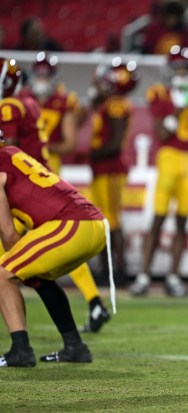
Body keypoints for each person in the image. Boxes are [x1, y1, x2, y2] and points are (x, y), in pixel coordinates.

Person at [19, 53, 111, 332]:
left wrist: (38, 151)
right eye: (40, 72)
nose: (43, 78)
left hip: (42, 176)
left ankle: (93, 301)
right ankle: (94, 302)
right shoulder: (22, 100)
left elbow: (69, 142)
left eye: (48, 73)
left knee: (48, 239)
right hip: (24, 175)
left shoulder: (61, 102)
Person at [0, 134, 107, 367]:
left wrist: (15, 269)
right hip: (94, 225)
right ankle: (75, 347)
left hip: (71, 225)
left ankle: (20, 350)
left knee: (3, 274)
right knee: (36, 276)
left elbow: (8, 235)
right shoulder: (12, 153)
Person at [130, 46, 188, 297]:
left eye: (185, 69)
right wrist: (176, 110)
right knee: (158, 217)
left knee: (182, 222)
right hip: (169, 157)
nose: (182, 73)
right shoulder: (160, 94)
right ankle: (144, 275)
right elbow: (162, 134)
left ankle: (173, 277)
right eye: (178, 69)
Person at [88, 58, 139, 287]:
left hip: (110, 169)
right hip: (105, 169)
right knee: (106, 220)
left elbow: (116, 143)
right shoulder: (110, 102)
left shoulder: (116, 104)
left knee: (111, 221)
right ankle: (111, 269)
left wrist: (90, 154)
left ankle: (117, 270)